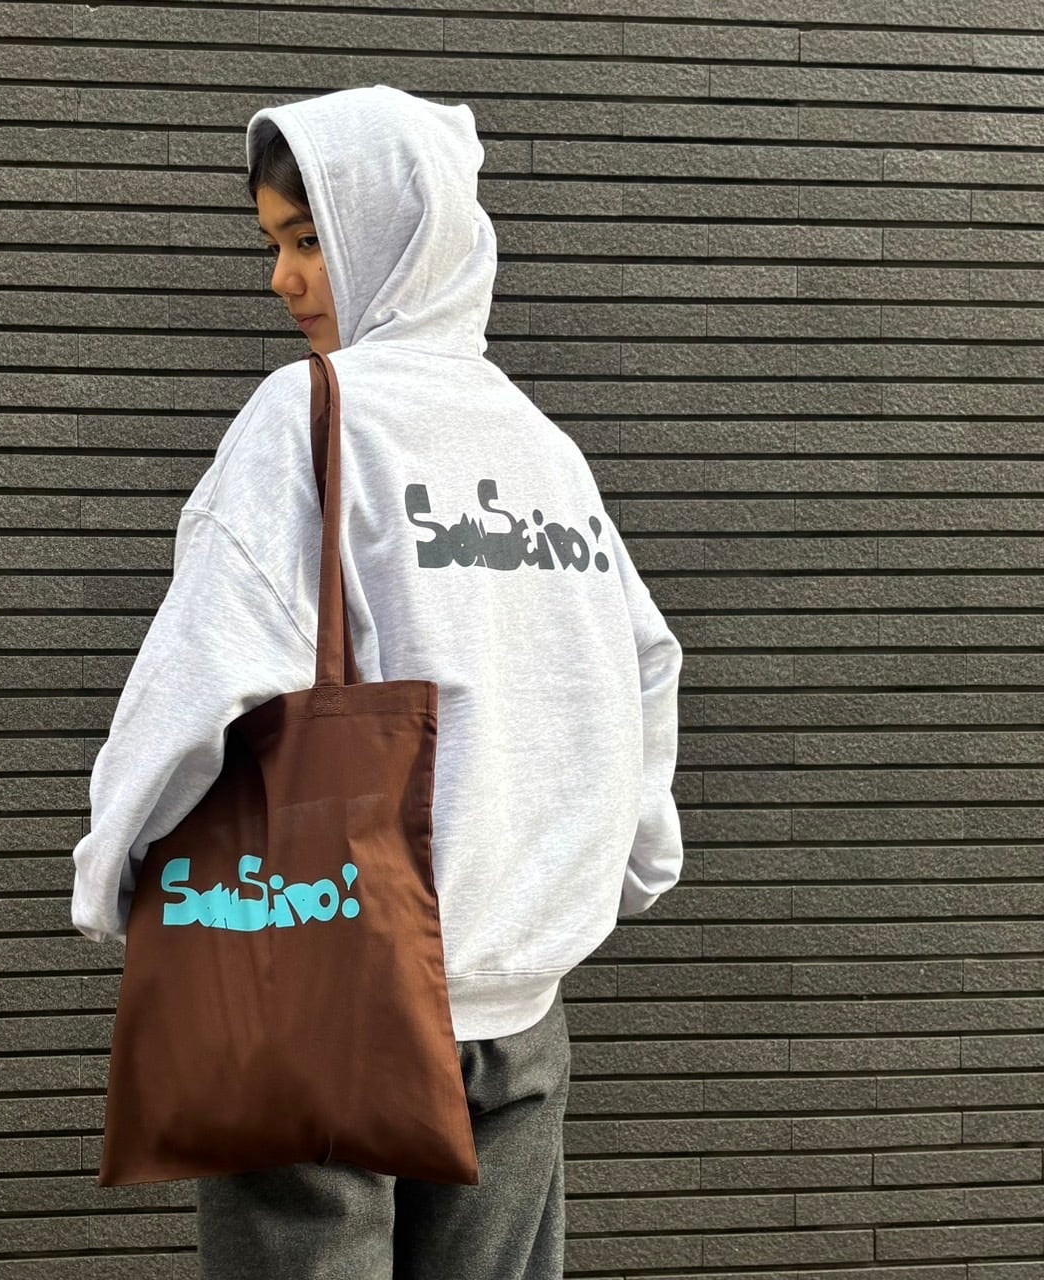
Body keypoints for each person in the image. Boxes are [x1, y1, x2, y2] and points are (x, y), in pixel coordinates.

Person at [70, 83, 684, 1279]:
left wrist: (115, 872)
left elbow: (202, 675)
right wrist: (619, 868)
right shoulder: (540, 446)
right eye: (273, 244)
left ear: (388, 236)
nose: (283, 279)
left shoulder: (311, 413)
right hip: (516, 1006)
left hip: (326, 981)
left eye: (309, 240)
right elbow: (640, 666)